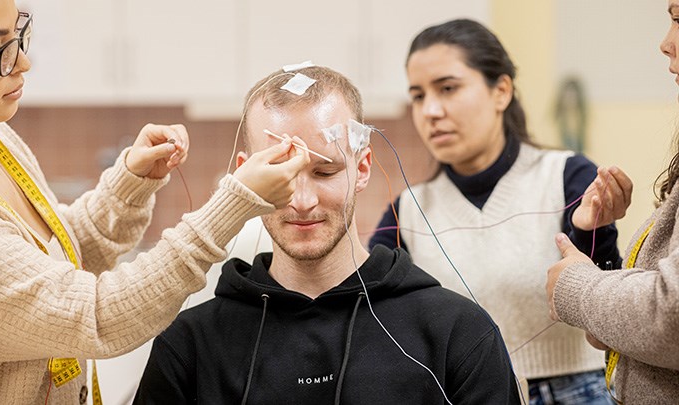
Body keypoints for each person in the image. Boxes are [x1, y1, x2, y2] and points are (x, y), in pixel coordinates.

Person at [0, 0, 310, 403]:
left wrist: (131, 184)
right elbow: (97, 315)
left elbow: (57, 258)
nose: (23, 62)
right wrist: (233, 204)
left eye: (19, 34)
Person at [133, 65, 520, 404]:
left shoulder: (457, 331)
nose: (302, 201)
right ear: (244, 175)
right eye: (280, 173)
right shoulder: (189, 345)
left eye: (325, 172)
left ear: (362, 167)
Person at [369, 19, 620, 403]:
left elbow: (607, 308)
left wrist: (594, 232)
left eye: (448, 88)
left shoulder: (567, 176)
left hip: (577, 391)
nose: (430, 111)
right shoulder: (409, 210)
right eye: (418, 96)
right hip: (463, 395)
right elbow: (373, 312)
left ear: (501, 90)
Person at [546, 1, 679, 402]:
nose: (664, 43)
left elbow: (669, 316)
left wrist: (574, 288)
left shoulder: (565, 171)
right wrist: (594, 233)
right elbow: (630, 314)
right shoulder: (413, 201)